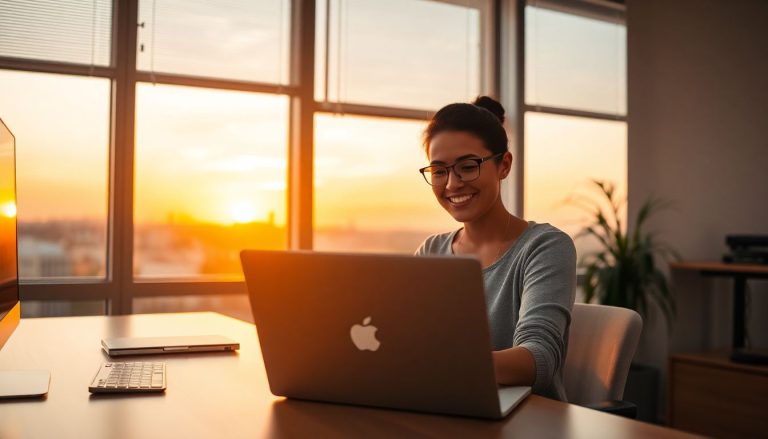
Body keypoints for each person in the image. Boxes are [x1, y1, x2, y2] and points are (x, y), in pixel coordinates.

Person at [415, 96, 576, 401]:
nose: (452, 184)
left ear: (503, 165)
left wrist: (439, 364)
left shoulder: (545, 247)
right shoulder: (431, 252)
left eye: (467, 166)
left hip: (529, 421)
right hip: (448, 408)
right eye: (439, 171)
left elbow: (538, 359)